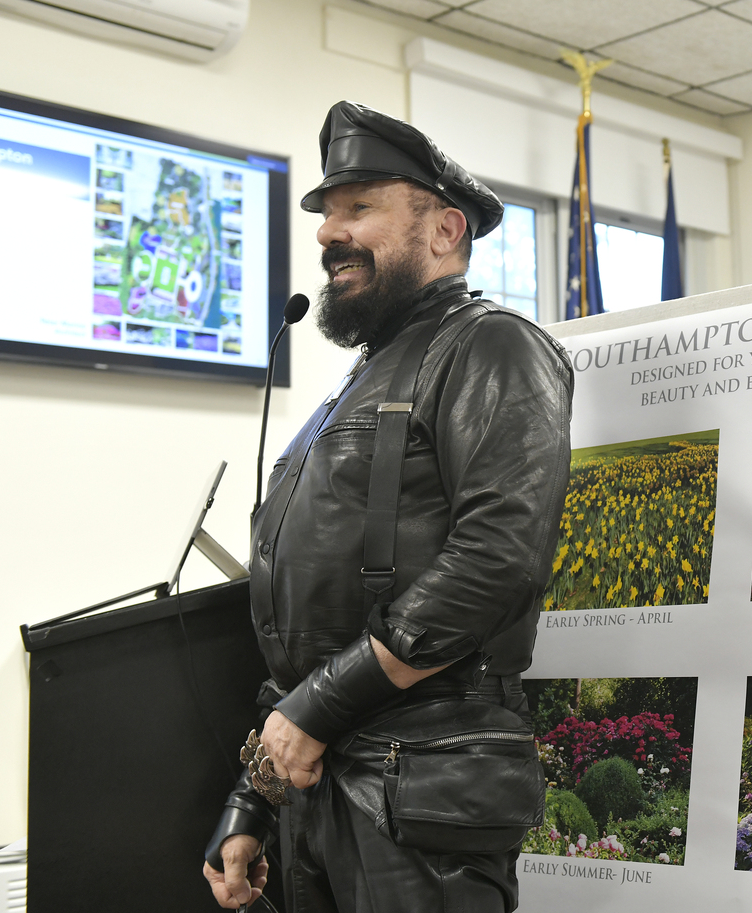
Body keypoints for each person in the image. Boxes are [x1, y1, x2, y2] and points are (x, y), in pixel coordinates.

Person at [200, 101, 573, 912]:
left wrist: (314, 712)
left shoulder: (493, 345)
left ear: (444, 229)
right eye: (328, 215)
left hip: (422, 788)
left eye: (360, 207)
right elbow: (311, 629)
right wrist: (252, 799)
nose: (332, 232)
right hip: (321, 789)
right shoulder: (359, 383)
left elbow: (495, 561)